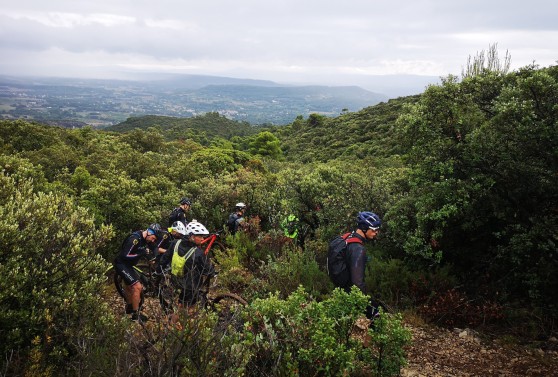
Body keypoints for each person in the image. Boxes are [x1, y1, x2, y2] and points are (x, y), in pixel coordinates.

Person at [333, 211, 382, 321]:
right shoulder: (358, 249)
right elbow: (357, 282)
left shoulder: (346, 238)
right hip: (350, 294)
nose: (376, 233)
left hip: (339, 290)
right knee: (379, 314)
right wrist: (367, 304)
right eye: (374, 229)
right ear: (364, 228)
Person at [160, 220, 216, 309]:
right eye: (200, 236)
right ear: (192, 236)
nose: (202, 239)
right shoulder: (198, 253)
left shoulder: (175, 243)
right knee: (185, 309)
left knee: (185, 306)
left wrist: (158, 271)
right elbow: (208, 270)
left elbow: (164, 259)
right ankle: (173, 322)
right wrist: (213, 271)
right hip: (190, 286)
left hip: (176, 279)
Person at [113, 226, 159, 322]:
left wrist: (153, 257)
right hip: (122, 264)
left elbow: (154, 247)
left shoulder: (147, 239)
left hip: (129, 265)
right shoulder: (135, 239)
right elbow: (126, 255)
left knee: (129, 286)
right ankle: (135, 315)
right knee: (137, 287)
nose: (153, 240)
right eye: (153, 238)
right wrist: (141, 253)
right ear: (149, 232)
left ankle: (130, 306)